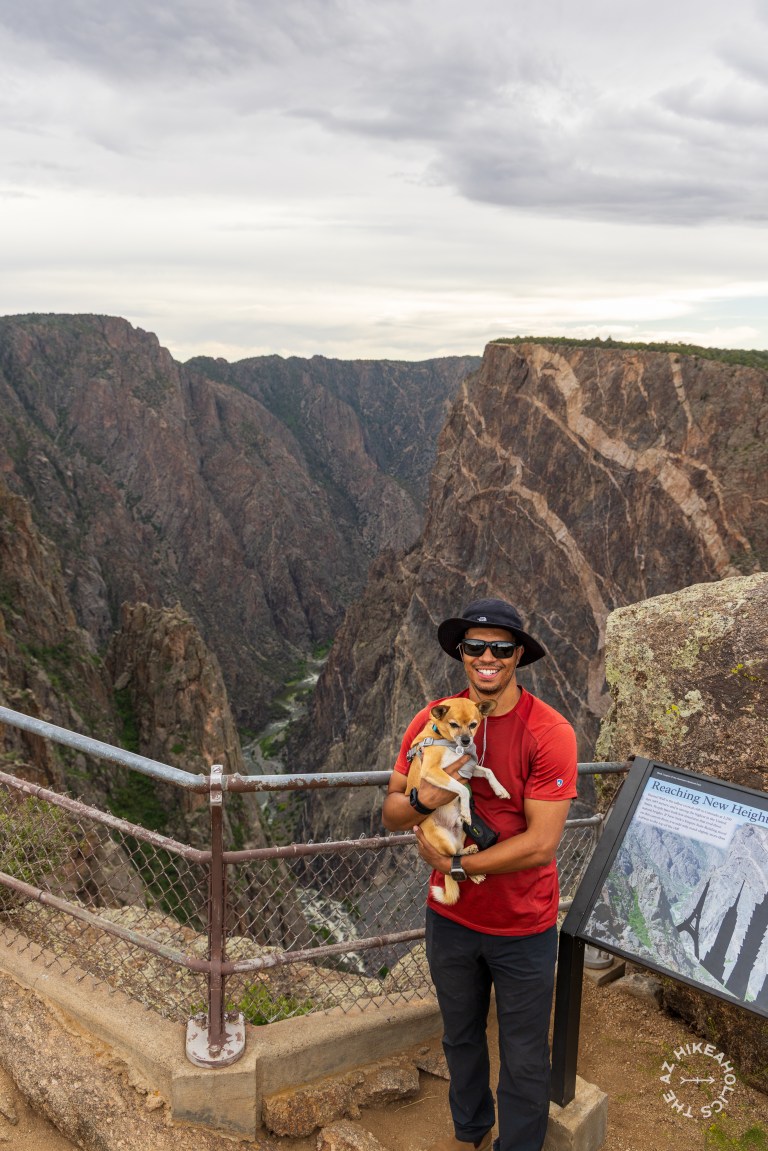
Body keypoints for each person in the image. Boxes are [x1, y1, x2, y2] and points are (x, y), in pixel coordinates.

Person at [382, 598, 578, 1151]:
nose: (486, 657)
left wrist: (457, 865)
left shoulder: (549, 733)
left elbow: (541, 844)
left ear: (518, 656)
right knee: (461, 1037)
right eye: (475, 647)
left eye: (500, 648)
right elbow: (393, 809)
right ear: (462, 655)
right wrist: (429, 795)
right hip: (452, 920)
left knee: (523, 1053)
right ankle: (470, 1132)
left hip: (522, 924)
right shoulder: (430, 720)